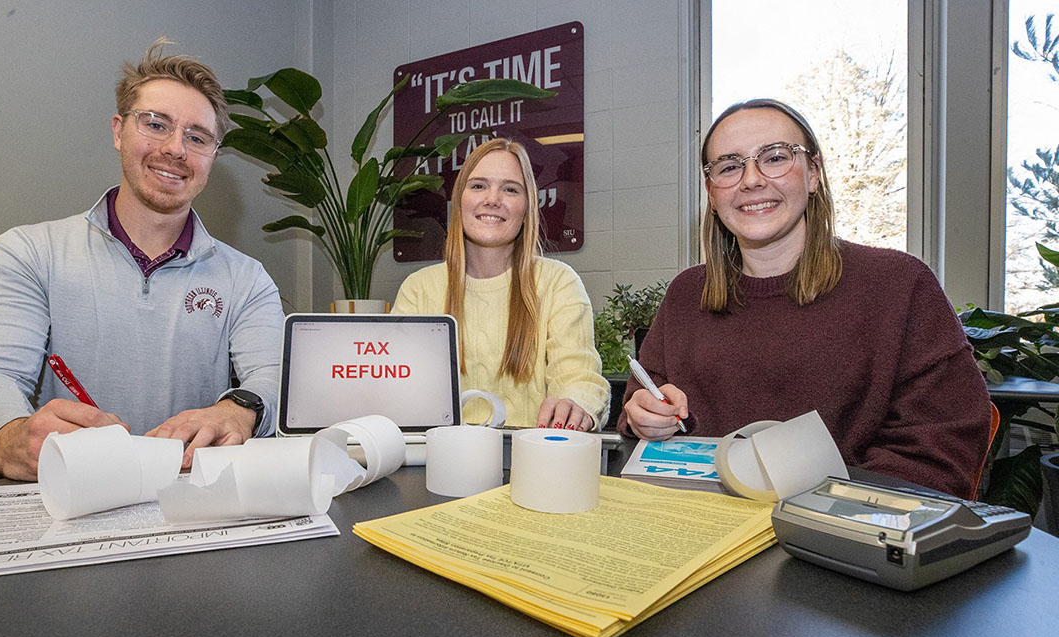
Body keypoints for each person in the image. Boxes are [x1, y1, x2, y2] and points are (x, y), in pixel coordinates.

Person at [0, 39, 283, 481]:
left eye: (197, 137)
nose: (176, 149)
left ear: (213, 156)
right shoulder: (24, 254)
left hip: (195, 501)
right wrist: (11, 438)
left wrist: (239, 410)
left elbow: (275, 374)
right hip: (62, 500)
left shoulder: (246, 279)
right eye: (156, 124)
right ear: (119, 130)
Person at [619, 99, 991, 498]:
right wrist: (646, 417)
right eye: (729, 166)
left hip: (839, 534)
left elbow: (941, 447)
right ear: (711, 193)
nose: (752, 180)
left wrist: (819, 508)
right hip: (699, 525)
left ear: (813, 173)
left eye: (775, 158)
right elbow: (641, 408)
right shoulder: (685, 295)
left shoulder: (898, 285)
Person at [392, 138, 609, 430]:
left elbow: (579, 377)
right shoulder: (418, 288)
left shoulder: (558, 283)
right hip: (441, 459)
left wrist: (577, 403)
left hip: (531, 460)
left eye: (510, 189)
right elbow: (396, 388)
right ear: (459, 200)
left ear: (527, 207)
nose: (493, 199)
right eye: (479, 185)